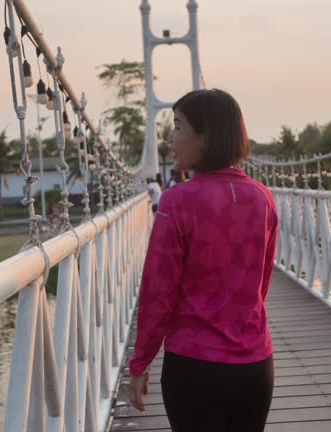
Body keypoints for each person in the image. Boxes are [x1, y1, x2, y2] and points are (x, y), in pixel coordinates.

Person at [128, 89, 278, 432]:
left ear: (206, 137)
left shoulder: (176, 201)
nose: (170, 137)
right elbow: (261, 282)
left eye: (178, 126)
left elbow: (158, 293)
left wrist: (140, 362)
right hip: (255, 366)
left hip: (194, 367)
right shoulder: (262, 197)